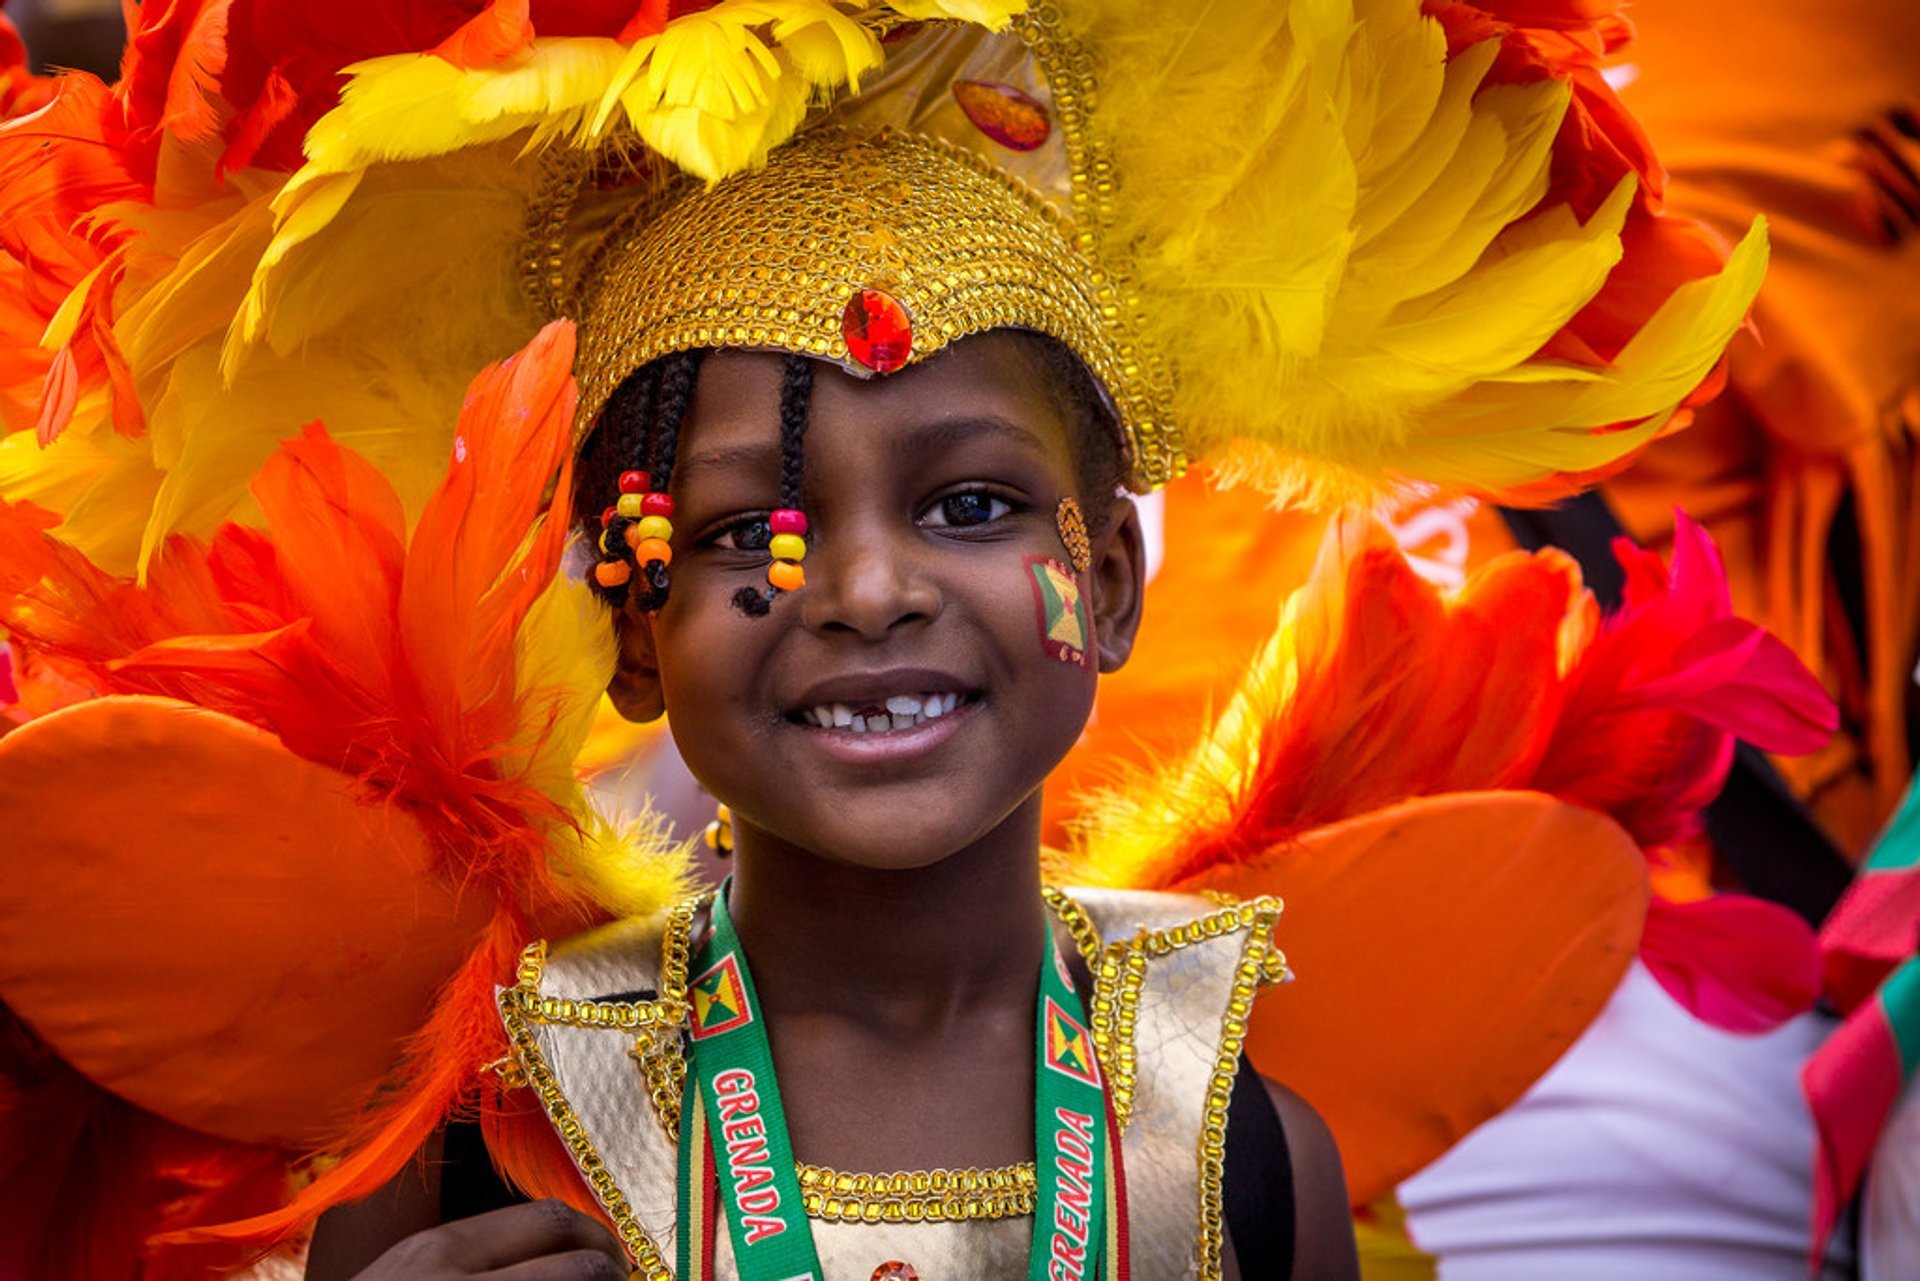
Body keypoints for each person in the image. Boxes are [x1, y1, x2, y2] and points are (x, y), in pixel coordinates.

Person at [0, 3, 1773, 1278]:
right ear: (628, 631)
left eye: (974, 506)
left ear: (1121, 589)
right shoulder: (480, 1134)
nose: (864, 589)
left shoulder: (1242, 1155)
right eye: (738, 533)